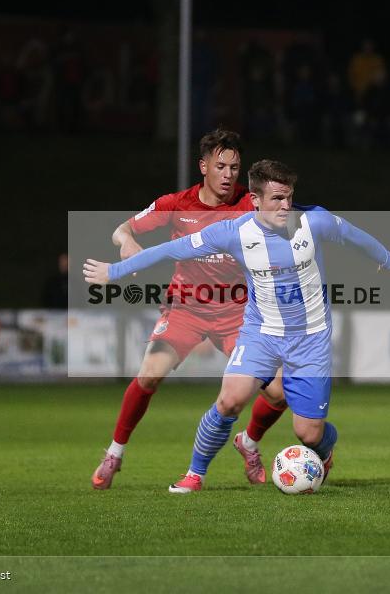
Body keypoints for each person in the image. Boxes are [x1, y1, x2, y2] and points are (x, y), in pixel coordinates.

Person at [84, 159, 390, 493]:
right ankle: (195, 474)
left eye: (288, 197)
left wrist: (387, 259)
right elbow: (169, 249)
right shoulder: (232, 232)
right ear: (254, 200)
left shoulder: (314, 222)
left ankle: (323, 449)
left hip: (311, 340)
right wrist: (115, 272)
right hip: (260, 335)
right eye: (276, 198)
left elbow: (353, 235)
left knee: (308, 433)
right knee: (229, 400)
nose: (285, 206)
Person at [90, 130, 287, 490]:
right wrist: (128, 241)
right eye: (221, 166)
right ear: (203, 166)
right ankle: (115, 453)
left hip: (238, 315)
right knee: (149, 375)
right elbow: (121, 229)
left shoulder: (249, 204)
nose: (228, 175)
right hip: (186, 309)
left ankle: (249, 442)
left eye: (235, 168)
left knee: (279, 393)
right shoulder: (175, 204)